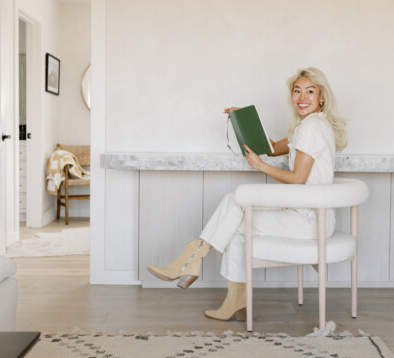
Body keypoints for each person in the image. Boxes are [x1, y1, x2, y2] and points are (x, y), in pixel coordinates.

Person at [147, 67, 347, 321]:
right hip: (306, 214)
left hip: (309, 221)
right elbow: (272, 147)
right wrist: (241, 121)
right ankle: (231, 299)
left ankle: (191, 260)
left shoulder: (311, 129)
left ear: (321, 98)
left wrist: (261, 166)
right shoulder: (307, 126)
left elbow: (298, 178)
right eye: (297, 91)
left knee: (236, 208)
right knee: (236, 223)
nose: (302, 97)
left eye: (310, 91)